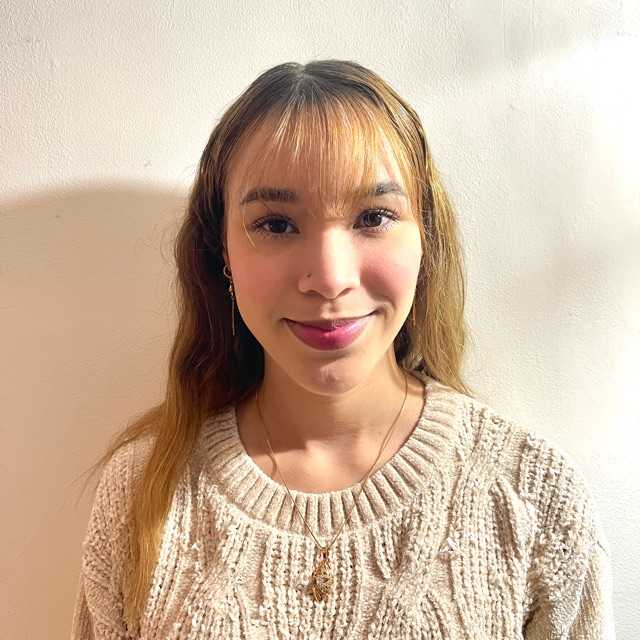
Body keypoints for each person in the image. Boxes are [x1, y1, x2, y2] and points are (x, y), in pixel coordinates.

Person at [70, 60, 615, 639]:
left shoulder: (534, 496)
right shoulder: (141, 492)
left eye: (373, 217)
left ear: (425, 238)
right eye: (276, 224)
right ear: (220, 251)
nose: (330, 279)